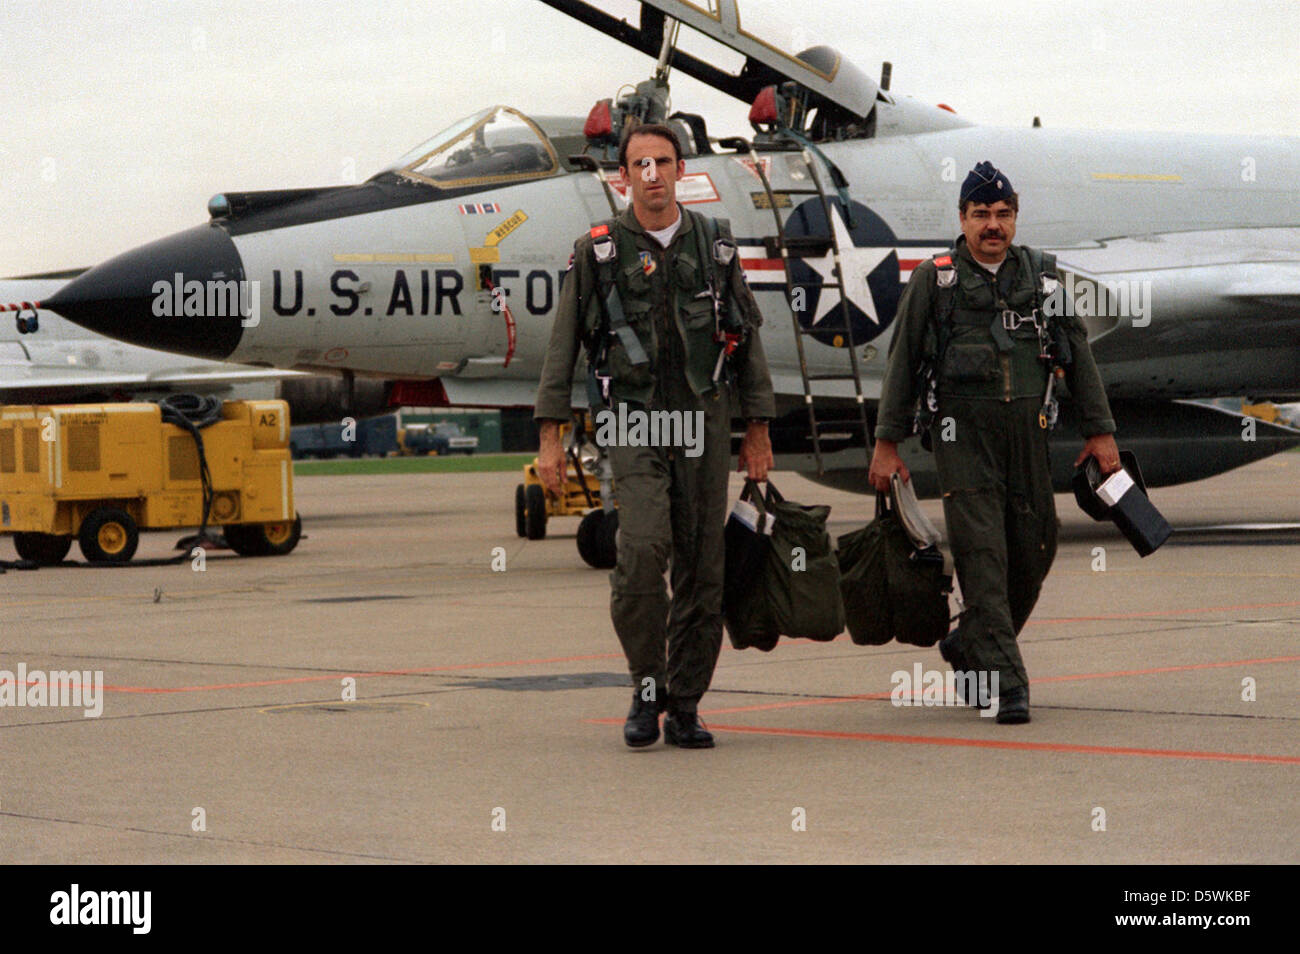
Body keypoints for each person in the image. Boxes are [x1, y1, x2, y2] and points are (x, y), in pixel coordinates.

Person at [534, 124, 776, 749]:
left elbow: (745, 340)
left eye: (662, 162)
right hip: (633, 421)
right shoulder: (598, 252)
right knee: (640, 555)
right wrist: (550, 438)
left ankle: (685, 704)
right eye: (639, 164)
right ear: (623, 178)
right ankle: (648, 687)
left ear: (680, 171)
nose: (651, 174)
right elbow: (563, 348)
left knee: (704, 569)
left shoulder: (715, 246)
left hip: (702, 423)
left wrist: (757, 430)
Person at [868, 161, 1121, 724]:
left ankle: (970, 645)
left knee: (1037, 545)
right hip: (963, 439)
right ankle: (1009, 685)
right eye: (981, 214)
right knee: (983, 557)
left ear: (1014, 218)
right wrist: (888, 443)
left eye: (1002, 215)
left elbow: (1078, 358)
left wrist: (1100, 434)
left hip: (1028, 436)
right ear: (962, 218)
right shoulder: (935, 281)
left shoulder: (1043, 279)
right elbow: (902, 365)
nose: (992, 225)